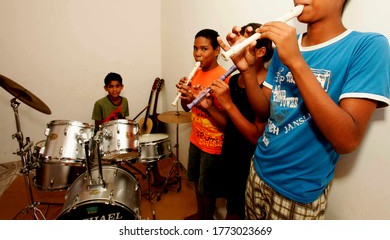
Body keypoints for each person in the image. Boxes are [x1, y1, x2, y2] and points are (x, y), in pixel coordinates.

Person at [218, 0, 390, 220]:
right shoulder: (287, 46)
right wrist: (248, 71)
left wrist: (296, 62)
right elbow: (265, 111)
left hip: (299, 192)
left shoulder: (367, 46)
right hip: (258, 170)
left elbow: (347, 140)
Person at [208, 23, 273, 219]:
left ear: (260, 51)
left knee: (246, 213)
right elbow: (228, 124)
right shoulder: (234, 80)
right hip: (230, 153)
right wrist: (208, 106)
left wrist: (228, 104)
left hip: (251, 162)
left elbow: (256, 137)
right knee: (232, 208)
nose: (235, 51)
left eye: (241, 46)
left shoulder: (269, 85)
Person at [176, 28, 229, 220]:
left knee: (208, 188)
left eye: (204, 49)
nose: (198, 54)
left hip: (213, 145)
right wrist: (185, 94)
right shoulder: (195, 73)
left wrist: (203, 103)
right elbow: (187, 108)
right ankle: (201, 215)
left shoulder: (224, 76)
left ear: (216, 51)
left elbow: (225, 123)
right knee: (195, 182)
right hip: (196, 138)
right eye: (195, 48)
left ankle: (208, 220)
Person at [92, 72, 167, 186]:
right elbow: (98, 127)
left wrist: (130, 125)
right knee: (101, 167)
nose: (114, 89)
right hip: (107, 139)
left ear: (122, 87)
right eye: (111, 86)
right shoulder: (99, 104)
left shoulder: (124, 101)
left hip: (121, 137)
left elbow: (123, 119)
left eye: (117, 86)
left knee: (147, 145)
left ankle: (156, 177)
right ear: (105, 88)